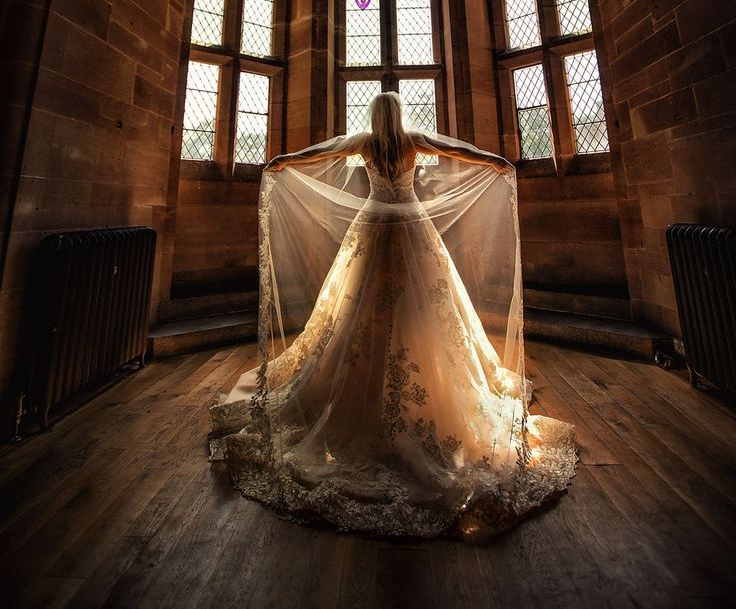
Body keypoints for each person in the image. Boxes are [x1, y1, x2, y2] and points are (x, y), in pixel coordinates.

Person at [210, 93, 577, 539]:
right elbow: (459, 150)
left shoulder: (366, 141)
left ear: (374, 117)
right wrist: (496, 161)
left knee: (358, 312)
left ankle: (357, 393)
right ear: (398, 116)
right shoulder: (413, 139)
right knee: (421, 312)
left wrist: (284, 159)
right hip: (411, 228)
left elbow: (320, 152)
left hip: (372, 228)